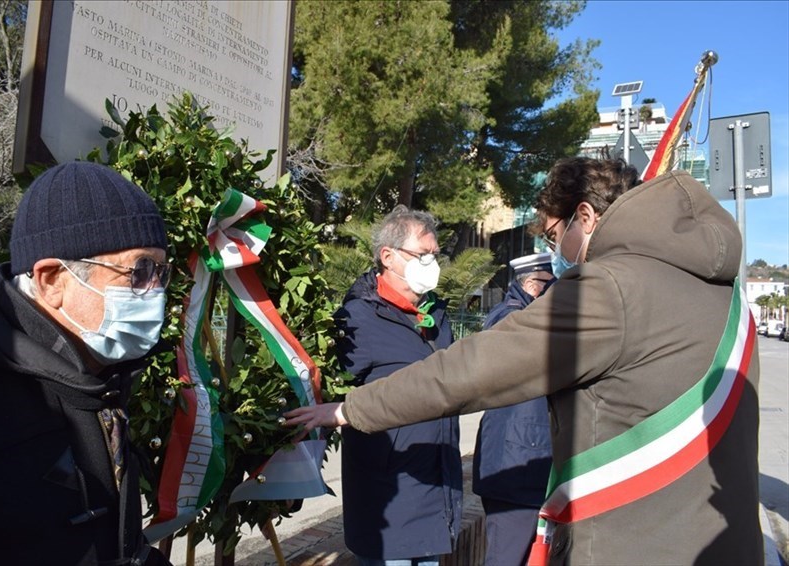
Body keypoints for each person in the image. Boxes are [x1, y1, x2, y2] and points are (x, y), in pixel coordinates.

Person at [286, 158, 763, 565]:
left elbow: (468, 372)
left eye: (554, 235)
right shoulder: (724, 295)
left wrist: (351, 409)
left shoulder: (610, 289)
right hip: (719, 540)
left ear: (586, 217)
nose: (554, 251)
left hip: (631, 541)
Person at [0, 162, 174, 565]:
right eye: (138, 271)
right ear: (51, 281)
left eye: (161, 272)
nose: (155, 292)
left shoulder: (99, 371)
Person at [334, 206, 462, 566]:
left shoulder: (436, 315)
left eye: (435, 255)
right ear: (388, 257)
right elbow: (336, 394)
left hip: (435, 493)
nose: (432, 264)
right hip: (388, 502)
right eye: (422, 255)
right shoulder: (357, 318)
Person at [472, 252, 554, 565]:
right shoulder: (509, 317)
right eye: (550, 284)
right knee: (506, 557)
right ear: (533, 285)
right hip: (513, 467)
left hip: (526, 462)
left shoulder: (525, 314)